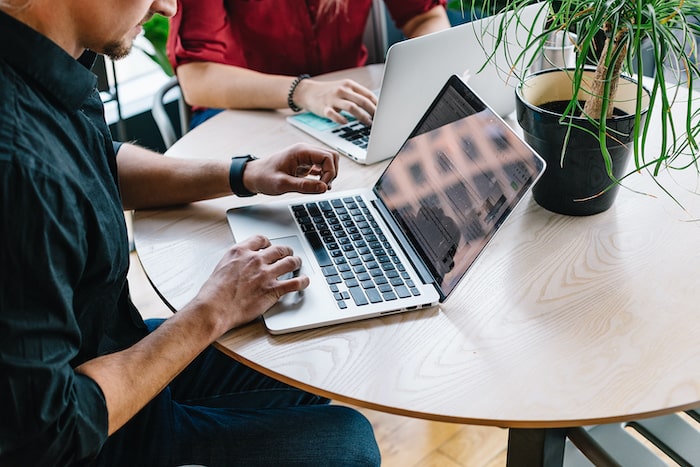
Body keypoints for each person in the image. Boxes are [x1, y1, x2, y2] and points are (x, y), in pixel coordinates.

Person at [0, 0, 381, 466]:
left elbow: (95, 159)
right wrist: (212, 309)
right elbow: (46, 432)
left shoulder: (44, 61)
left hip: (106, 349)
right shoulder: (21, 169)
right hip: (88, 437)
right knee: (350, 444)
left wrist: (243, 174)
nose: (167, 7)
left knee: (302, 353)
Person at [168, 0, 451, 128]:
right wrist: (304, 92)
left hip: (345, 109)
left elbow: (423, 16)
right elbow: (197, 78)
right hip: (243, 113)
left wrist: (433, 69)